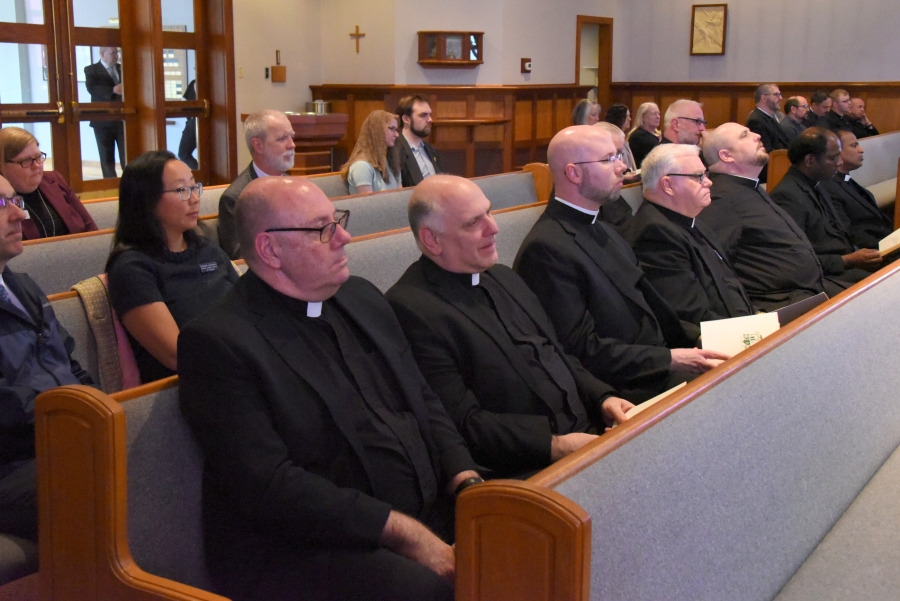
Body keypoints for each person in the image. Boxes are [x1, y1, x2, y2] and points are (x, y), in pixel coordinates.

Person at [178, 176, 482, 601]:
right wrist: (404, 533)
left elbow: (423, 399)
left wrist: (466, 481)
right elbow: (270, 487)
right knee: (429, 590)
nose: (344, 237)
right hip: (306, 546)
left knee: (522, 538)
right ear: (270, 249)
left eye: (337, 220)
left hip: (418, 512)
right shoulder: (217, 342)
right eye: (323, 229)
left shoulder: (361, 297)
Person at [386, 175, 633, 478]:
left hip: (588, 434)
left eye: (489, 212)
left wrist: (602, 397)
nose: (494, 227)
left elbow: (557, 353)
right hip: (527, 467)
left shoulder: (504, 276)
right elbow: (463, 423)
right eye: (473, 222)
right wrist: (556, 445)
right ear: (431, 239)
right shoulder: (411, 309)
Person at [514, 126, 728, 403]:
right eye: (608, 160)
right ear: (573, 173)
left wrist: (702, 338)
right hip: (625, 385)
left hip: (656, 362)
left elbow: (651, 306)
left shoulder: (605, 229)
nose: (623, 167)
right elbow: (580, 349)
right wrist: (670, 358)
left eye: (618, 156)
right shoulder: (546, 248)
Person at [0, 174, 95, 552]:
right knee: (102, 480)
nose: (17, 216)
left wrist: (97, 406)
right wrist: (74, 418)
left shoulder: (22, 285)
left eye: (15, 202)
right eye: (0, 205)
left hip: (57, 438)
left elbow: (68, 363)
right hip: (12, 462)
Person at [105, 150, 238, 384]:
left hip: (238, 367)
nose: (195, 198)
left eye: (194, 187)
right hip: (193, 385)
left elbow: (252, 309)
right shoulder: (132, 268)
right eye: (181, 190)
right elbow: (177, 355)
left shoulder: (208, 250)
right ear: (147, 200)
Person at [699, 123, 849, 311]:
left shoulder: (747, 187)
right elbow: (717, 267)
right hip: (780, 302)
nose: (757, 135)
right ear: (726, 156)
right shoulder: (721, 198)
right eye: (744, 135)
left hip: (809, 291)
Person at [623, 144, 753, 325]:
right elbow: (690, 315)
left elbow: (726, 282)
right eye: (698, 176)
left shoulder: (688, 218)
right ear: (667, 185)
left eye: (705, 174)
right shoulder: (656, 235)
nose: (709, 182)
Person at [770, 127, 881, 284]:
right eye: (833, 158)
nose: (840, 162)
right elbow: (794, 259)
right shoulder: (787, 196)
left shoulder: (818, 183)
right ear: (809, 160)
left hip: (845, 262)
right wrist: (848, 260)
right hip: (825, 275)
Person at [218, 109, 296, 259]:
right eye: (282, 139)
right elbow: (239, 256)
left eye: (292, 137)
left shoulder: (294, 186)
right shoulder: (235, 198)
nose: (292, 145)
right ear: (258, 145)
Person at [0, 126, 98, 240]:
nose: (36, 165)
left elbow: (91, 228)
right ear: (2, 165)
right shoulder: (2, 200)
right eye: (26, 160)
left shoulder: (54, 180)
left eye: (38, 157)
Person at [819, 128, 894, 250]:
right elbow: (849, 232)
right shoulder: (829, 187)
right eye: (854, 146)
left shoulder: (845, 179)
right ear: (836, 151)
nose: (861, 150)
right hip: (873, 250)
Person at [84, 46, 126, 178]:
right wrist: (113, 90)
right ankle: (110, 185)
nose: (116, 56)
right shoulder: (92, 70)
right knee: (107, 157)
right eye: (113, 53)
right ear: (103, 53)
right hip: (102, 121)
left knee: (126, 154)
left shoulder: (122, 68)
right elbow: (93, 89)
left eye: (117, 53)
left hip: (122, 119)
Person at [341, 110, 401, 195]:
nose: (397, 135)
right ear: (377, 131)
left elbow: (400, 194)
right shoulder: (361, 165)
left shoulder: (391, 160)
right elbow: (369, 204)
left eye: (397, 130)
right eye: (392, 129)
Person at [395, 95, 444, 187]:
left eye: (429, 115)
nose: (430, 120)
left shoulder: (430, 150)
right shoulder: (395, 151)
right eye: (423, 115)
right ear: (406, 119)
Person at [746, 84, 790, 184]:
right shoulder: (756, 121)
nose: (781, 98)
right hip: (769, 174)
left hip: (780, 167)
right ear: (764, 98)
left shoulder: (770, 118)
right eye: (776, 95)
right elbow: (766, 153)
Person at [628, 102, 662, 168]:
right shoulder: (639, 136)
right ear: (643, 117)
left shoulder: (659, 135)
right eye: (654, 114)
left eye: (659, 114)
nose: (658, 117)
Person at [177, 79, 199, 170]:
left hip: (200, 121)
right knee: (183, 154)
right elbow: (184, 102)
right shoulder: (193, 83)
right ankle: (199, 171)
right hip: (192, 122)